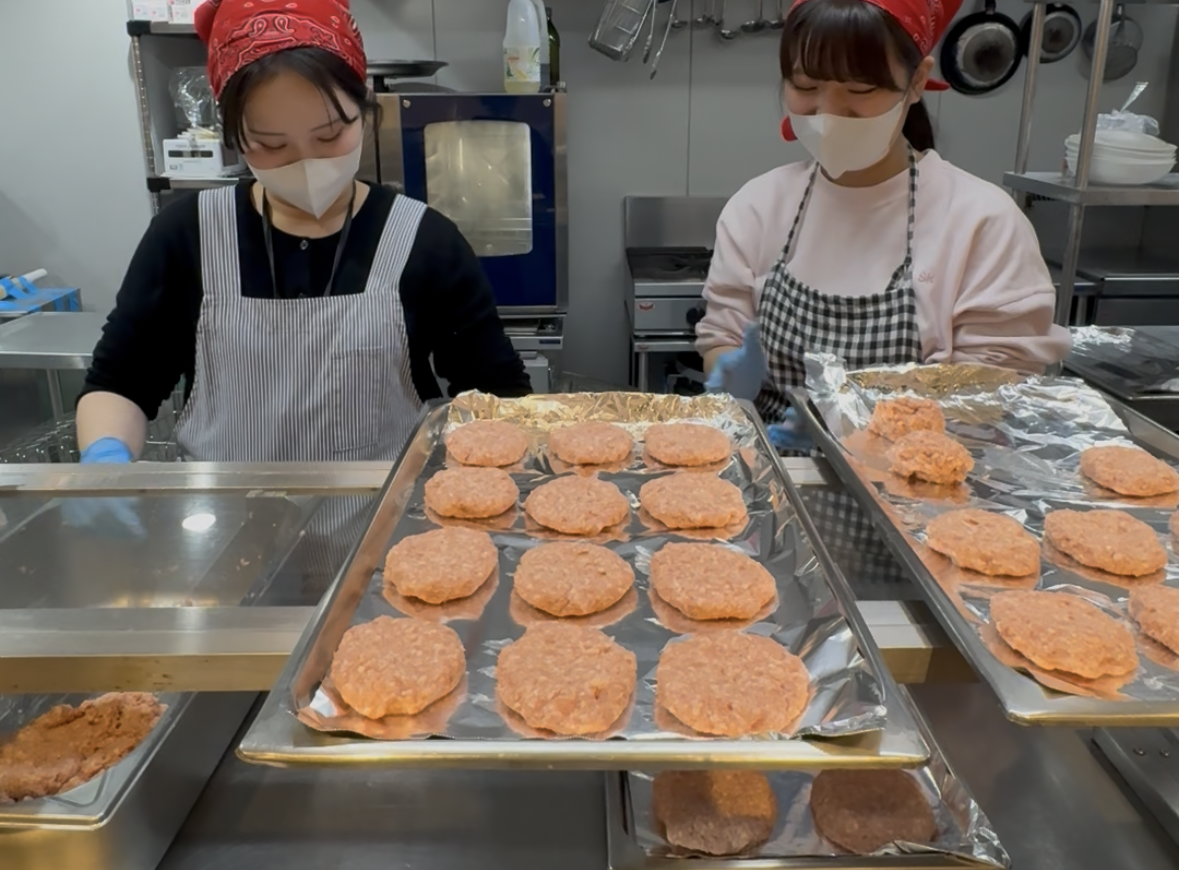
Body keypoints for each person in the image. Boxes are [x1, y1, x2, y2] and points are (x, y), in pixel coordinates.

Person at [77, 0, 530, 469]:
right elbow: (121, 381)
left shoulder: (424, 241)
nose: (307, 164)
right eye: (272, 145)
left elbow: (496, 391)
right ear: (235, 136)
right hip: (227, 524)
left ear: (365, 114)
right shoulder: (186, 236)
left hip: (384, 523)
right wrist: (105, 459)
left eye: (330, 136)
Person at [700, 0, 1071, 436]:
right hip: (775, 476)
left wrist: (856, 437)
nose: (829, 112)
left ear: (915, 81)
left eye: (860, 91)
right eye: (805, 85)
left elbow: (996, 395)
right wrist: (730, 372)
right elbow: (722, 337)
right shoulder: (758, 207)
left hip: (915, 487)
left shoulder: (982, 222)